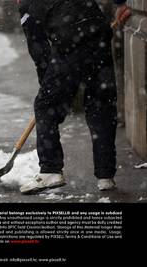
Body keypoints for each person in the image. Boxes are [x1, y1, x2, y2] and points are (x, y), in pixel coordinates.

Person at [17, 0, 131, 194]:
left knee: (45, 107)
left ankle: (50, 170)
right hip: (97, 32)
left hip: (69, 40)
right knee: (100, 105)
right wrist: (120, 3)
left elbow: (39, 49)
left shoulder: (26, 5)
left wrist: (47, 85)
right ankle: (106, 176)